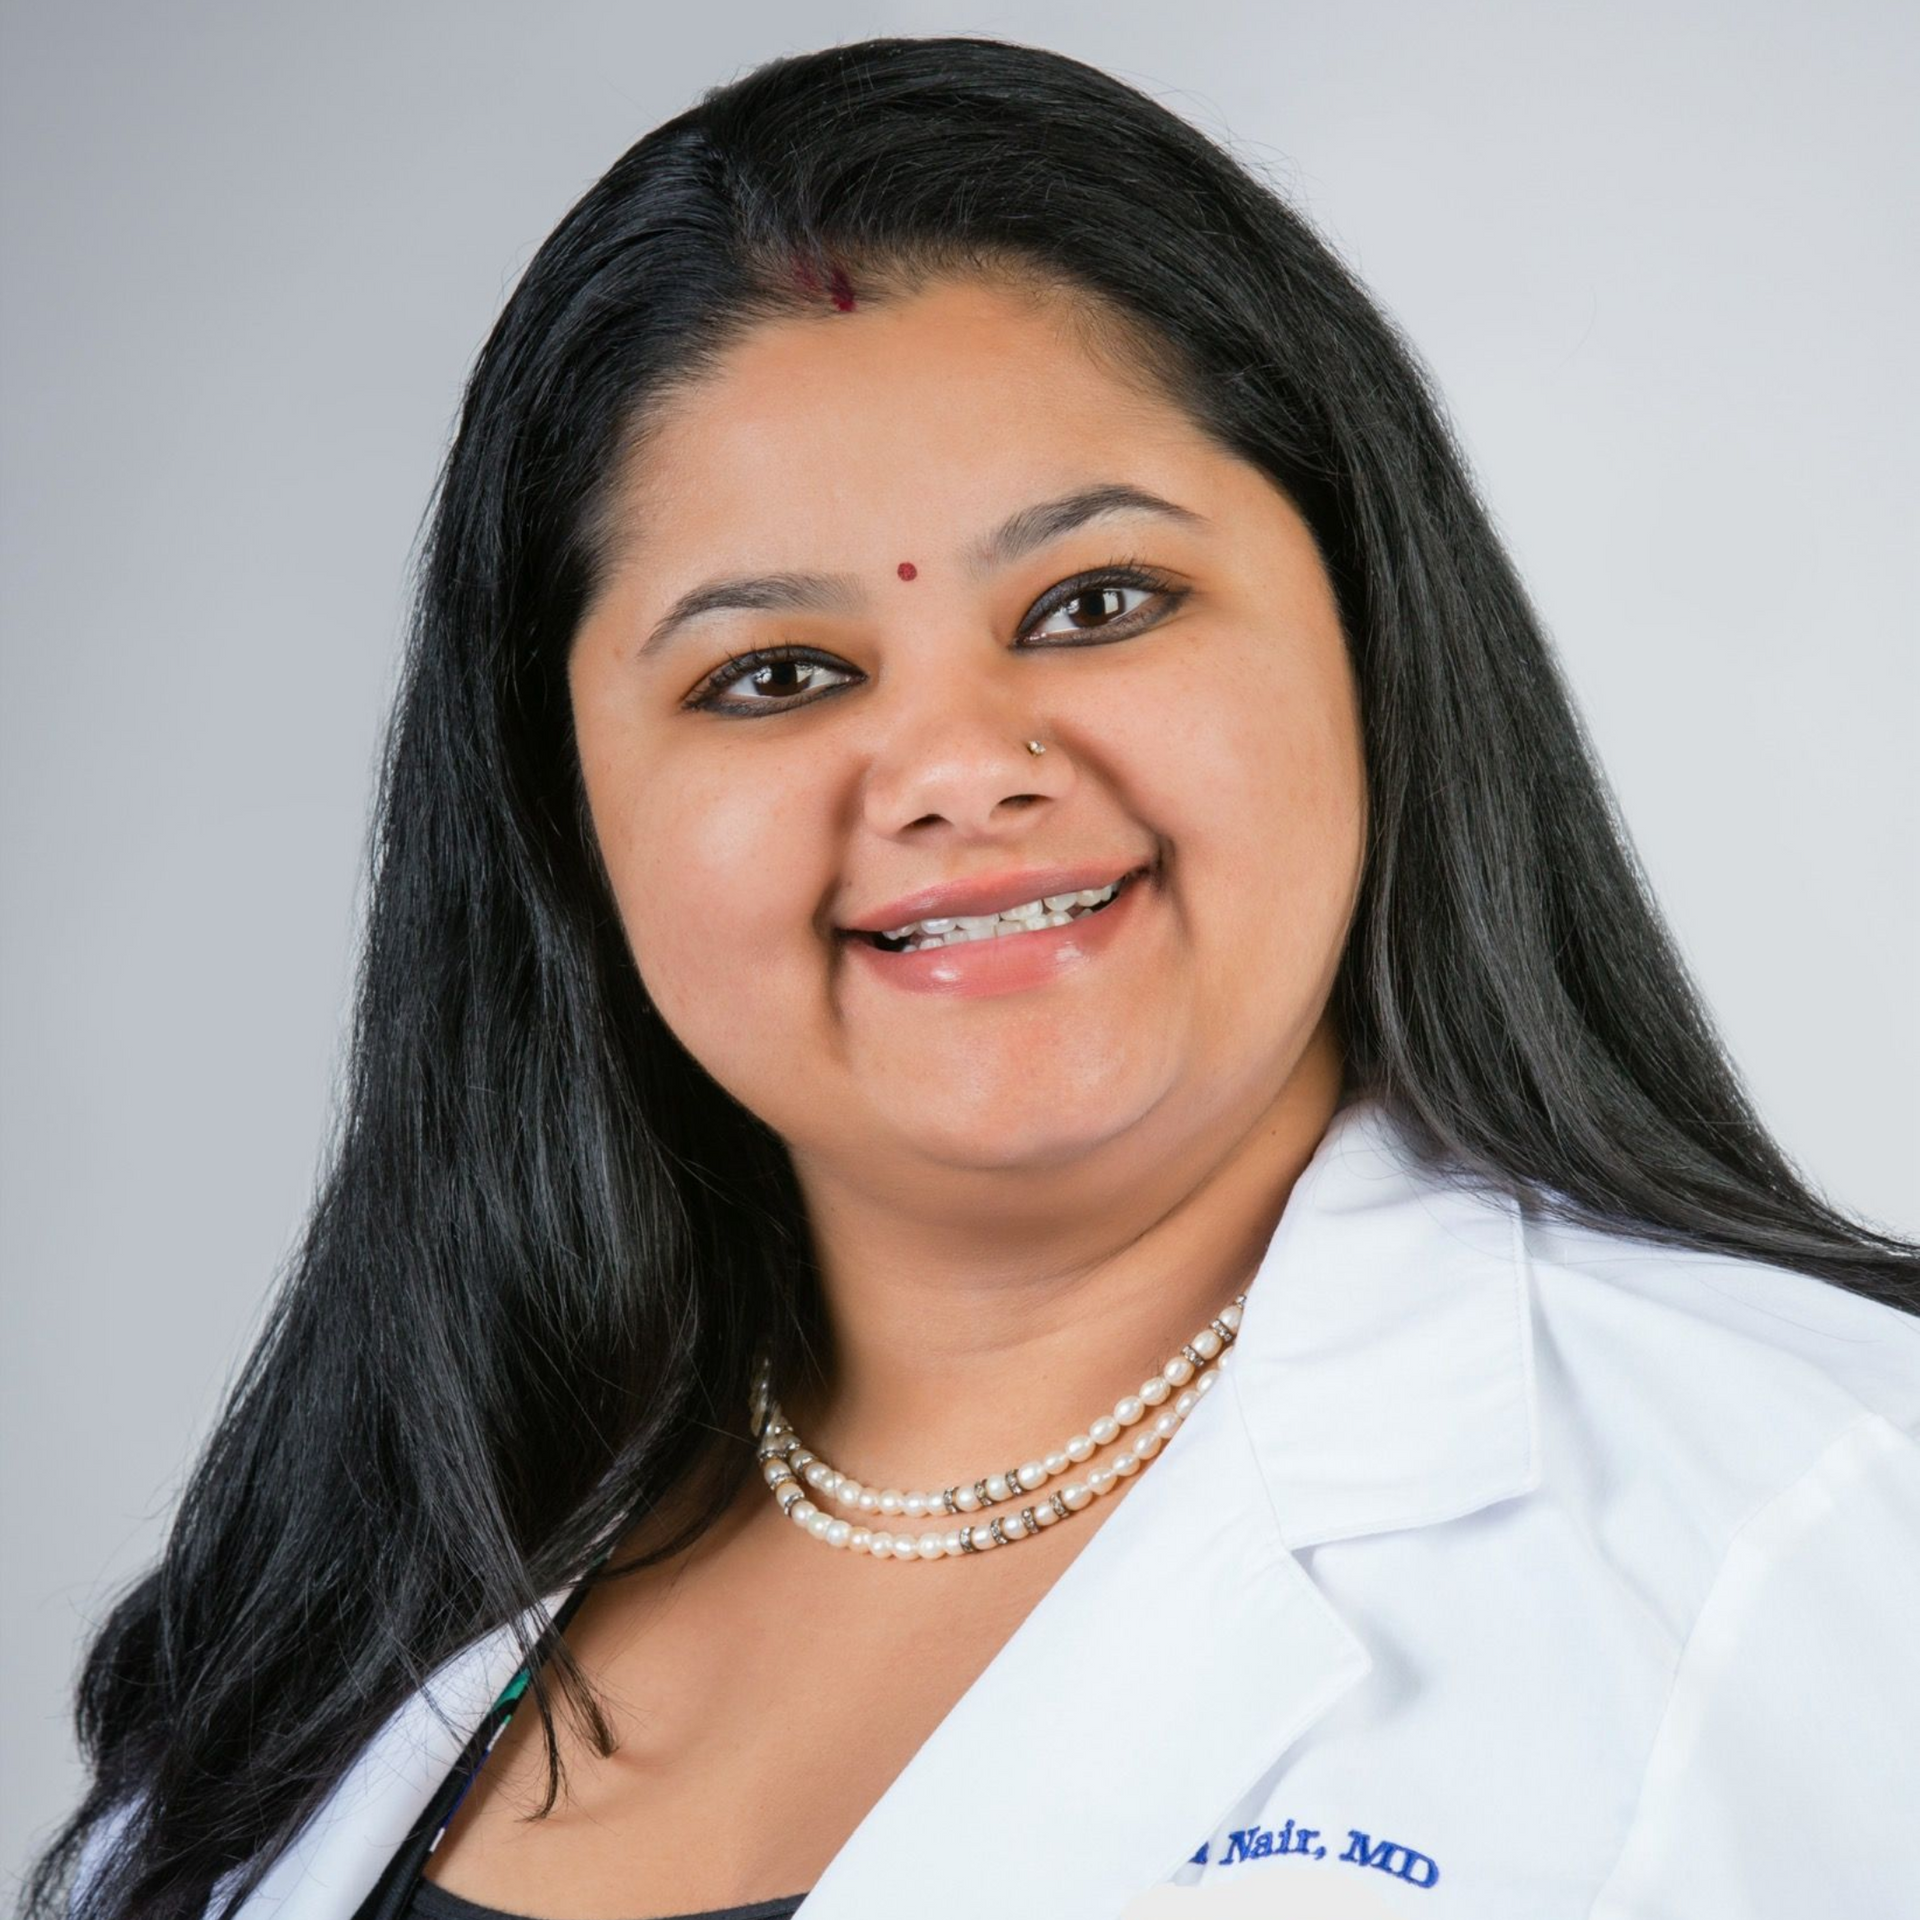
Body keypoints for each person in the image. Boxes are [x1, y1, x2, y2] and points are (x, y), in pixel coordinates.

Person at [30, 33, 1920, 1920]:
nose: (959, 769)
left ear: (1372, 633)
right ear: (563, 810)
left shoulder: (1833, 1526)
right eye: (774, 673)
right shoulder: (344, 1622)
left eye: (1096, 604)